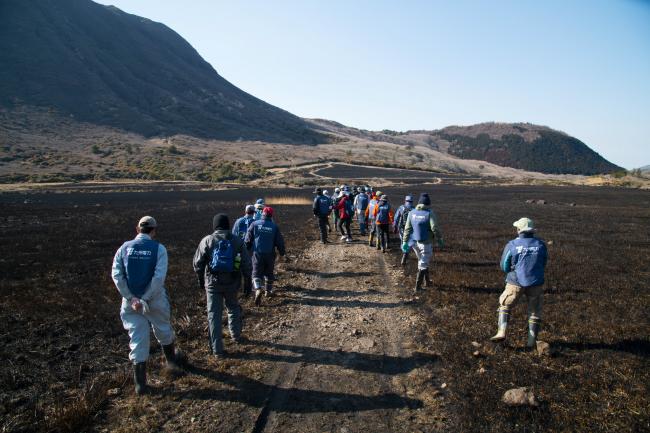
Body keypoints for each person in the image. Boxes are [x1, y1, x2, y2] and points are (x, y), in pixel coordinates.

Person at [111, 216, 183, 395]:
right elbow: (159, 278)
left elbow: (117, 275)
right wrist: (145, 298)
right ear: (154, 230)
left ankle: (140, 385)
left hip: (131, 303)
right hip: (154, 299)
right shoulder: (159, 249)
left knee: (137, 338)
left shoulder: (123, 248)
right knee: (163, 329)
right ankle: (171, 363)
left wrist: (131, 298)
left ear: (137, 229)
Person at [193, 214, 250, 357]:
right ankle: (236, 336)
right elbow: (246, 263)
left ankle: (217, 350)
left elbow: (197, 264)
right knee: (233, 308)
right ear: (228, 225)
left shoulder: (207, 240)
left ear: (215, 226)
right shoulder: (237, 241)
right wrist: (247, 281)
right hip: (232, 282)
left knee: (214, 315)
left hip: (212, 283)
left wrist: (201, 280)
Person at [490, 217, 548, 348]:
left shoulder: (512, 245)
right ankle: (531, 342)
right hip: (536, 282)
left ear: (518, 230)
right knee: (534, 312)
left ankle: (501, 331)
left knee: (505, 304)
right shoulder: (541, 244)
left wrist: (510, 272)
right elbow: (544, 262)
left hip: (515, 282)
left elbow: (504, 265)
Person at [402, 193, 444, 293]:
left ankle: (427, 281)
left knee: (421, 261)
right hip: (426, 243)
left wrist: (404, 241)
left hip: (415, 243)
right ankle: (417, 287)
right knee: (423, 263)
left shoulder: (412, 213)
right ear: (428, 203)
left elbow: (407, 229)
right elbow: (434, 228)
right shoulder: (429, 213)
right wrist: (439, 239)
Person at [245, 207, 287, 306]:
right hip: (269, 254)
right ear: (271, 215)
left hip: (257, 253)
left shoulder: (254, 224)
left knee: (256, 273)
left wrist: (247, 249)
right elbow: (279, 242)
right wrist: (282, 252)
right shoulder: (274, 227)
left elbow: (247, 239)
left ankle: (258, 289)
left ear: (262, 214)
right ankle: (268, 291)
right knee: (269, 272)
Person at [232, 205, 256, 296]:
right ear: (253, 213)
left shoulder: (238, 221)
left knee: (237, 267)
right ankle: (247, 291)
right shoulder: (255, 222)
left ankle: (236, 289)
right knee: (248, 270)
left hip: (238, 251)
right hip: (250, 251)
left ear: (245, 211)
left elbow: (233, 235)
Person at [393, 195, 414, 265]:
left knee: (403, 240)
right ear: (412, 201)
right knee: (409, 241)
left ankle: (404, 253)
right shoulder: (414, 209)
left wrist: (394, 226)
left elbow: (396, 218)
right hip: (411, 228)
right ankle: (405, 253)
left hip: (402, 228)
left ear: (405, 201)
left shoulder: (401, 208)